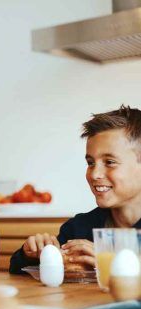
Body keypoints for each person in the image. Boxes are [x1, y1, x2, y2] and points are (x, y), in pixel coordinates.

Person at [9, 105, 141, 274]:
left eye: (109, 162)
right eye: (90, 163)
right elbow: (17, 269)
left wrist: (114, 266)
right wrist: (32, 254)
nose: (95, 174)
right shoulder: (79, 228)